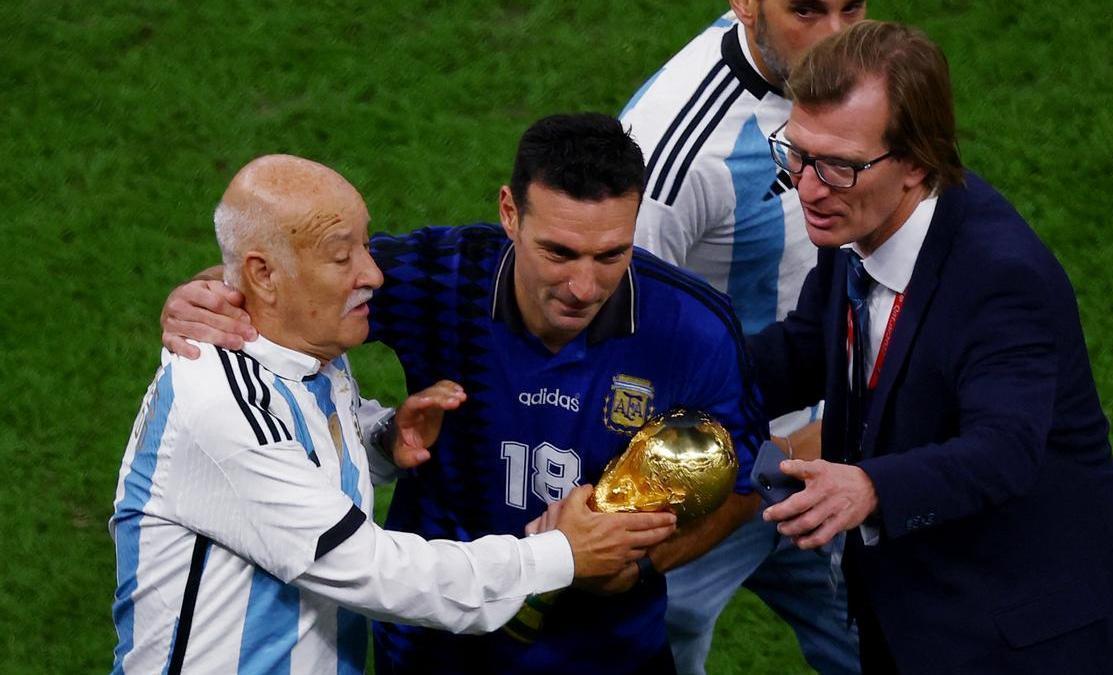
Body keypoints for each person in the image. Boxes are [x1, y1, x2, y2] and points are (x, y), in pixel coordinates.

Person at [159, 114, 769, 674]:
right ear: (510, 213)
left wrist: (635, 568)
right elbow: (290, 283)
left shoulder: (696, 328)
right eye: (558, 252)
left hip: (608, 656)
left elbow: (738, 485)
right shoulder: (442, 276)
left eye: (612, 254)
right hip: (433, 650)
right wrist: (204, 294)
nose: (584, 286)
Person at [749, 21, 1113, 673]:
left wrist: (869, 485)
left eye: (837, 164)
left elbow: (1004, 447)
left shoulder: (1001, 276)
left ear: (916, 162)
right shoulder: (857, 222)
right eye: (797, 154)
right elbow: (806, 348)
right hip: (918, 619)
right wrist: (674, 372)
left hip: (1033, 639)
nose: (806, 187)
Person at [619, 2, 866, 672]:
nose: (839, 37)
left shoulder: (864, 85)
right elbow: (619, 356)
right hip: (701, 489)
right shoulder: (672, 159)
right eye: (809, 9)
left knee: (901, 644)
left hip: (825, 453)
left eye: (855, 6)